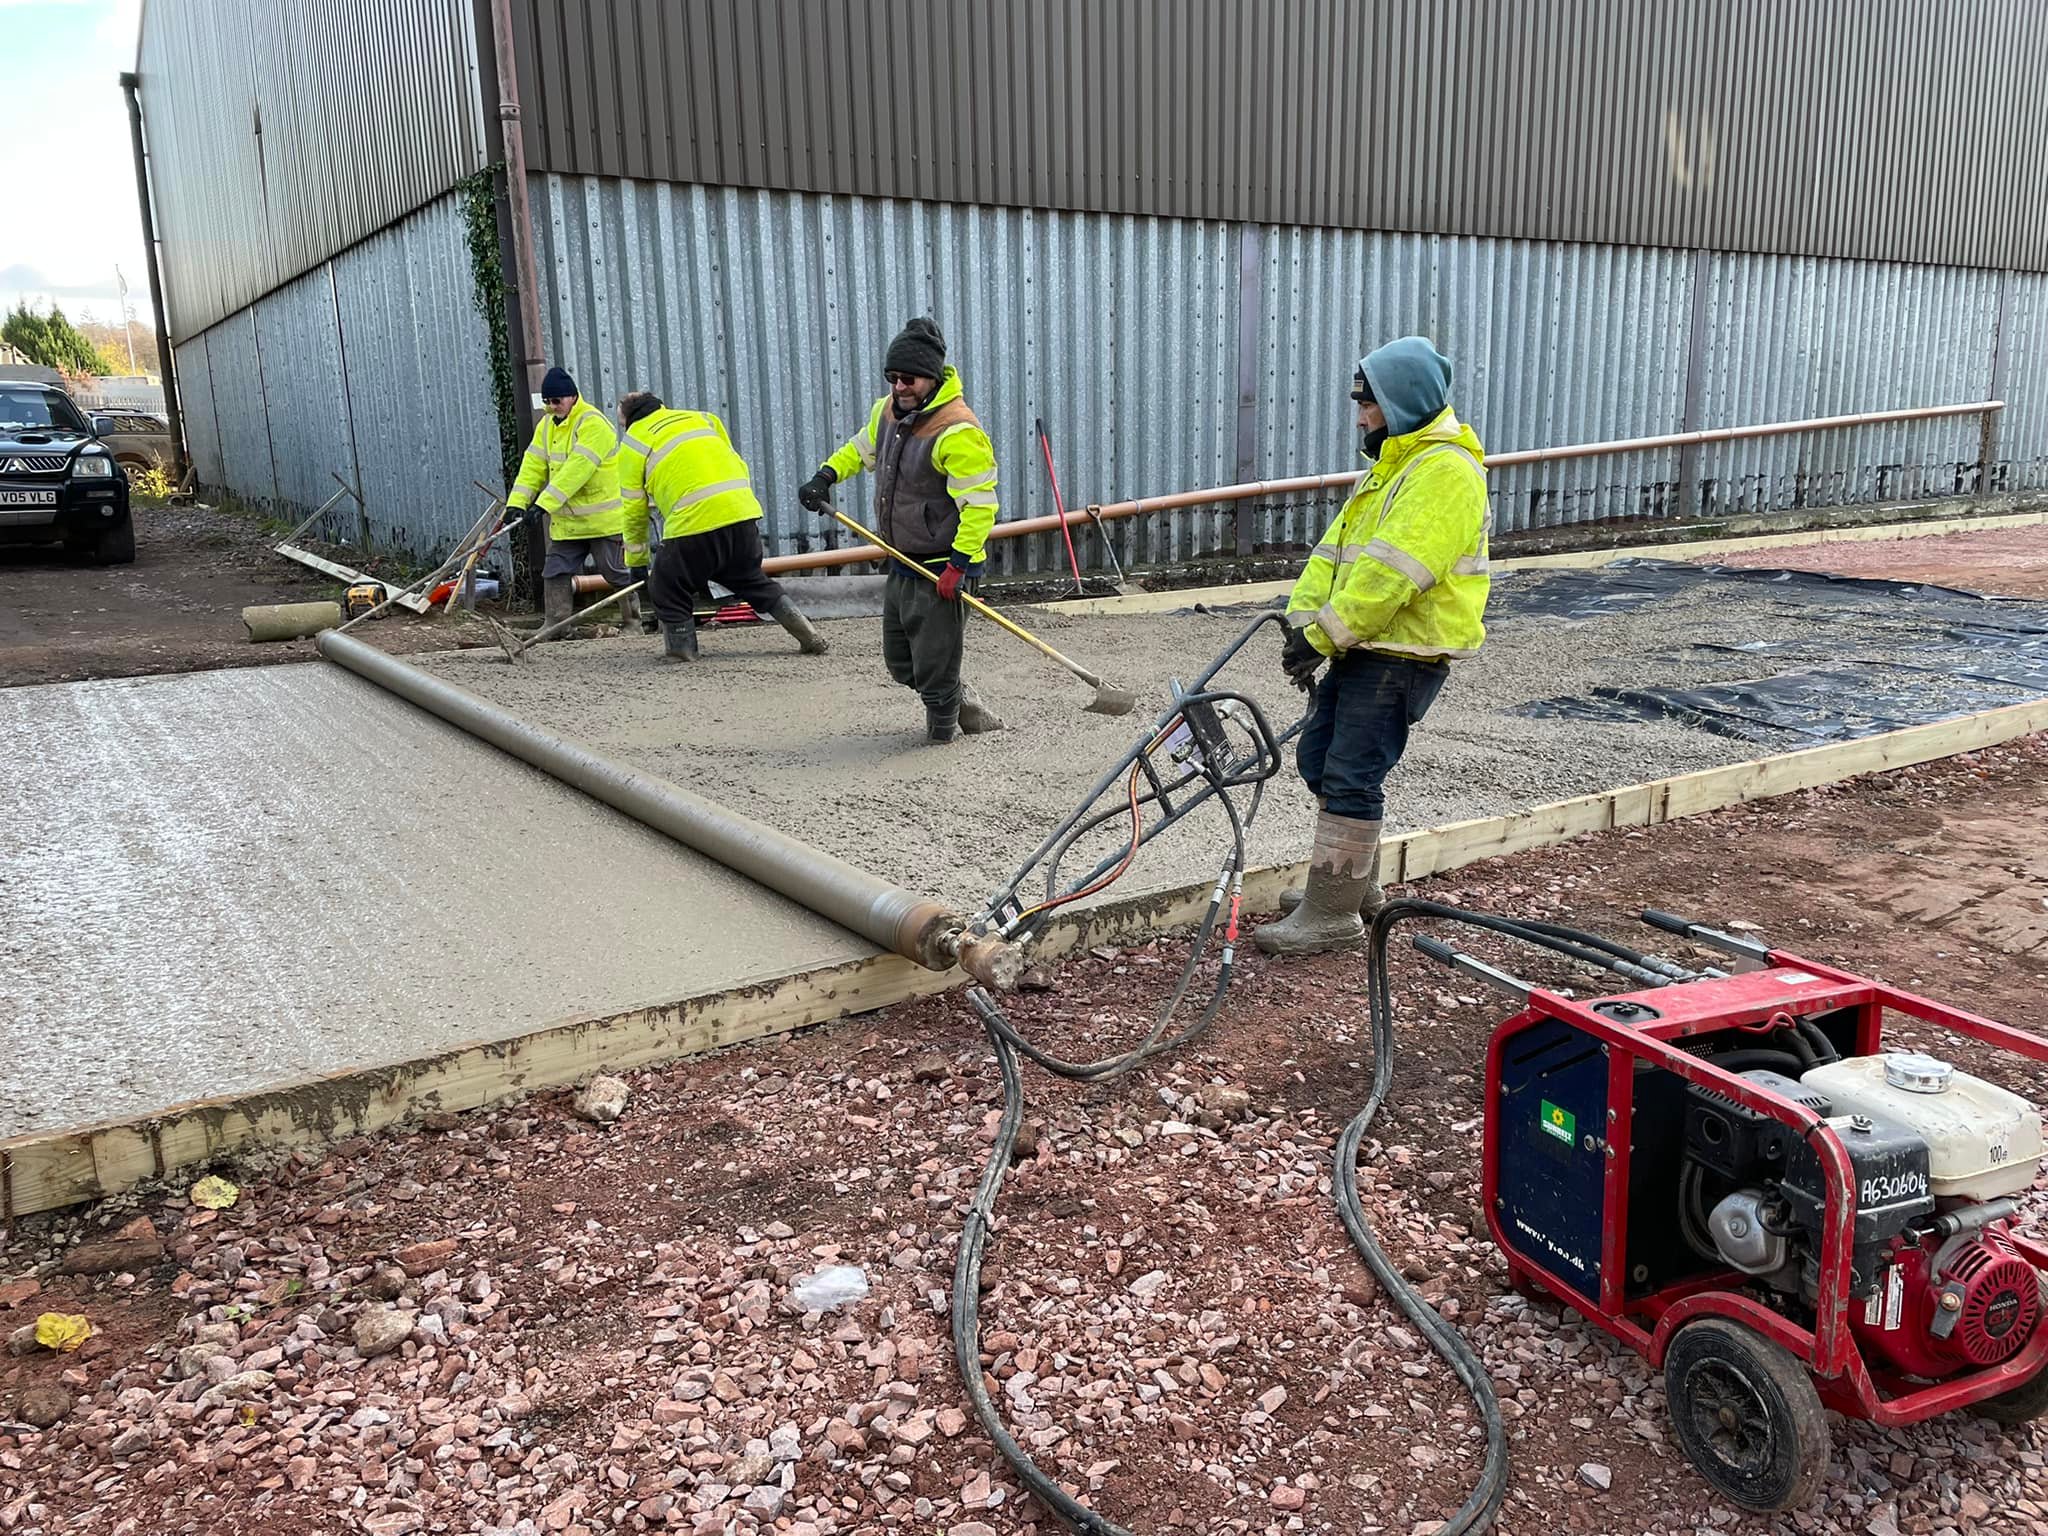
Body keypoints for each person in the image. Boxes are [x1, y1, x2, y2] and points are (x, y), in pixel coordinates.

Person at [1254, 336, 1491, 957]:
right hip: (1364, 645)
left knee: (1352, 773)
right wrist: (1301, 625)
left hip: (1403, 651)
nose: (1361, 418)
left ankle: (1332, 912)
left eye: (1369, 405)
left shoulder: (1444, 473)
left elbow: (1391, 575)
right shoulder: (1389, 469)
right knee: (1319, 759)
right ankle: (1354, 886)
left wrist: (1323, 635)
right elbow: (1332, 557)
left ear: (1403, 401)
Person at [796, 317, 1003, 742]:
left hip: (944, 565)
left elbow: (979, 507)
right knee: (900, 660)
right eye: (892, 377)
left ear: (931, 377)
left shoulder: (958, 431)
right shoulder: (888, 411)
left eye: (908, 378)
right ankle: (959, 700)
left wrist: (959, 565)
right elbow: (860, 448)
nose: (899, 386)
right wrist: (826, 476)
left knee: (935, 663)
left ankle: (941, 739)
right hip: (903, 557)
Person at [615, 391, 828, 661]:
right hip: (741, 514)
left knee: (666, 585)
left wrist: (636, 563)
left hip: (693, 522)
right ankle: (808, 634)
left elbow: (634, 511)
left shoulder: (633, 443)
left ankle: (681, 652)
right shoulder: (703, 418)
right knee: (750, 579)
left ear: (628, 421)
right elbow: (734, 462)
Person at [506, 366, 633, 632]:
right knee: (555, 571)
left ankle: (633, 623)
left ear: (573, 397)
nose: (552, 407)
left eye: (557, 401)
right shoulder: (546, 427)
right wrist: (516, 503)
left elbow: (577, 471)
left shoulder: (594, 424)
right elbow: (532, 466)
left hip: (601, 522)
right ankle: (555, 626)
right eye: (547, 402)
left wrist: (542, 505)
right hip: (568, 524)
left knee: (615, 572)